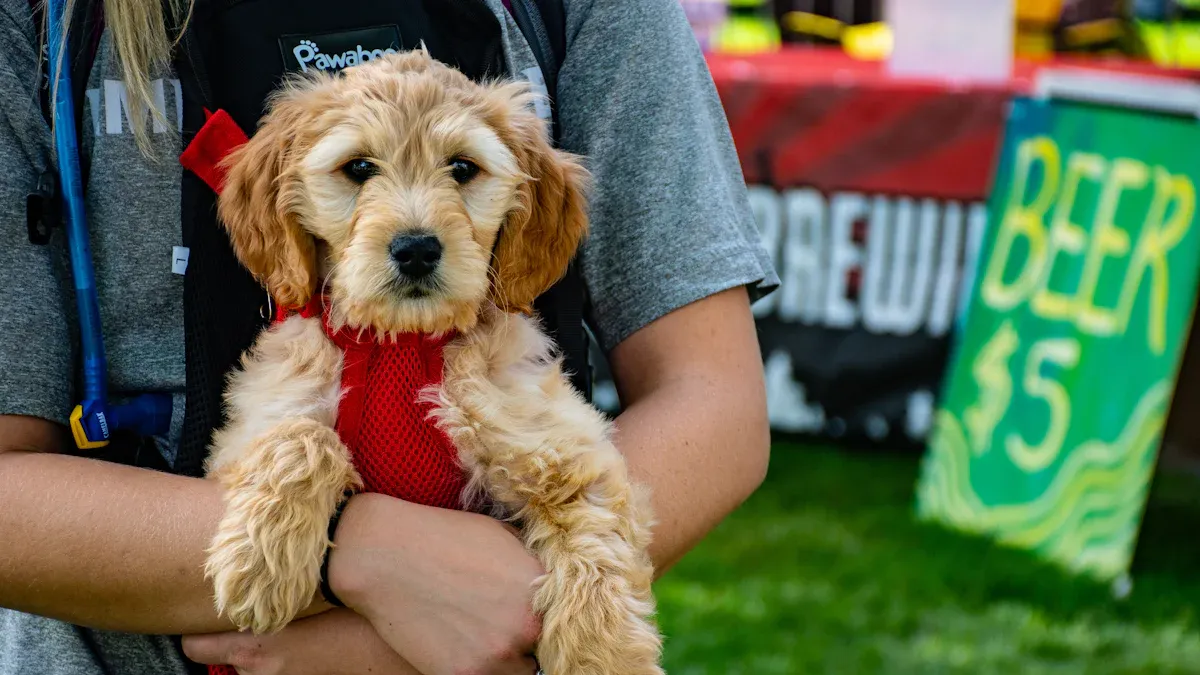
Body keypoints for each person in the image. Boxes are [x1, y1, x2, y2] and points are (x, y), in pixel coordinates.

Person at [0, 0, 778, 673]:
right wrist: (357, 556)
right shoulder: (40, 22)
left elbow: (713, 398)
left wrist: (527, 617)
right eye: (358, 169)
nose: (414, 226)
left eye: (464, 171)